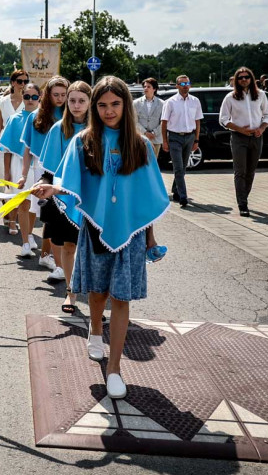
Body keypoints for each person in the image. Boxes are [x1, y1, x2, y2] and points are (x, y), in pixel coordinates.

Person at [33, 76, 169, 400]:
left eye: (116, 104)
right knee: (96, 294)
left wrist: (150, 236)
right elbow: (69, 181)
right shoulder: (83, 141)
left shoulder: (141, 145)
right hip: (95, 230)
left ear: (126, 105)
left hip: (131, 235)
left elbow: (147, 197)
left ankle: (115, 369)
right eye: (103, 105)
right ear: (95, 107)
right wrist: (53, 188)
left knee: (121, 299)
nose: (109, 111)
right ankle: (95, 329)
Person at [39, 81, 91, 310]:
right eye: (72, 101)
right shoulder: (59, 129)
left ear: (90, 102)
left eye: (82, 100)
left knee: (92, 250)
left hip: (93, 198)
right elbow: (49, 171)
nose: (77, 105)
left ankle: (95, 295)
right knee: (69, 246)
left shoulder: (99, 131)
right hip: (65, 198)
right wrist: (42, 185)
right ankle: (70, 292)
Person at [20, 76, 68, 273]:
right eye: (55, 94)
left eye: (63, 95)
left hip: (64, 168)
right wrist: (23, 175)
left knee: (60, 214)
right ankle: (49, 257)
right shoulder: (36, 116)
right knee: (46, 214)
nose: (60, 98)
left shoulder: (71, 115)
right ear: (47, 94)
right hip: (41, 170)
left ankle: (48, 255)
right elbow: (27, 149)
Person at [219, 67, 268, 218]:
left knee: (251, 171)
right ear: (236, 80)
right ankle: (242, 204)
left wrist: (261, 128)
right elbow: (223, 119)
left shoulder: (260, 95)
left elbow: (267, 115)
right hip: (238, 137)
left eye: (246, 77)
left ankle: (244, 197)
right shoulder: (230, 97)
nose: (244, 79)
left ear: (251, 78)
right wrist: (240, 129)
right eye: (240, 77)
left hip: (256, 136)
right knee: (240, 171)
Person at [0, 82, 41, 259]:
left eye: (34, 97)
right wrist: (7, 172)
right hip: (18, 164)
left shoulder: (44, 120)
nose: (30, 100)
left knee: (34, 204)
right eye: (26, 96)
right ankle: (24, 242)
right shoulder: (14, 119)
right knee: (23, 202)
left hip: (38, 164)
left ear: (40, 98)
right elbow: (7, 149)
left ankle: (30, 234)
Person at [0, 69, 27, 234]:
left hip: (22, 147)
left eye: (25, 81)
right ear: (13, 83)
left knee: (18, 179)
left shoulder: (30, 101)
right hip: (4, 145)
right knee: (5, 179)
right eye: (19, 81)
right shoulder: (3, 102)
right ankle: (8, 212)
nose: (23, 85)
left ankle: (14, 218)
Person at [160, 74, 202, 208]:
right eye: (182, 84)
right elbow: (164, 123)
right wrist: (164, 141)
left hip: (189, 137)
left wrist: (196, 139)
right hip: (174, 137)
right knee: (178, 167)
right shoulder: (170, 102)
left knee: (183, 168)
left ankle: (176, 190)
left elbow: (197, 121)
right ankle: (183, 197)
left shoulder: (195, 101)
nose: (185, 87)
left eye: (187, 84)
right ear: (177, 86)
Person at [133, 77, 164, 157]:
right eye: (144, 86)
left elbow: (163, 122)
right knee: (140, 163)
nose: (146, 88)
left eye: (148, 86)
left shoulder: (162, 104)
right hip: (140, 138)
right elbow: (134, 121)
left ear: (154, 89)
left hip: (156, 139)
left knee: (153, 163)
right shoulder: (136, 103)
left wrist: (154, 133)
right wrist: (145, 132)